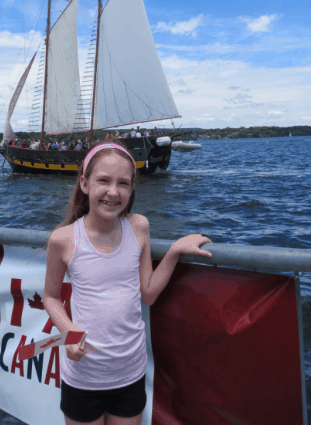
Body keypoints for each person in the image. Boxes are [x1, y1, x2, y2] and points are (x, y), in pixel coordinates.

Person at [42, 140, 212, 425]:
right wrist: (68, 330)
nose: (112, 192)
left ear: (132, 189)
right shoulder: (63, 239)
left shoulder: (139, 226)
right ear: (84, 183)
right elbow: (50, 296)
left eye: (123, 183)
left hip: (130, 372)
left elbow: (148, 294)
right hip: (84, 375)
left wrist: (174, 251)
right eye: (103, 181)